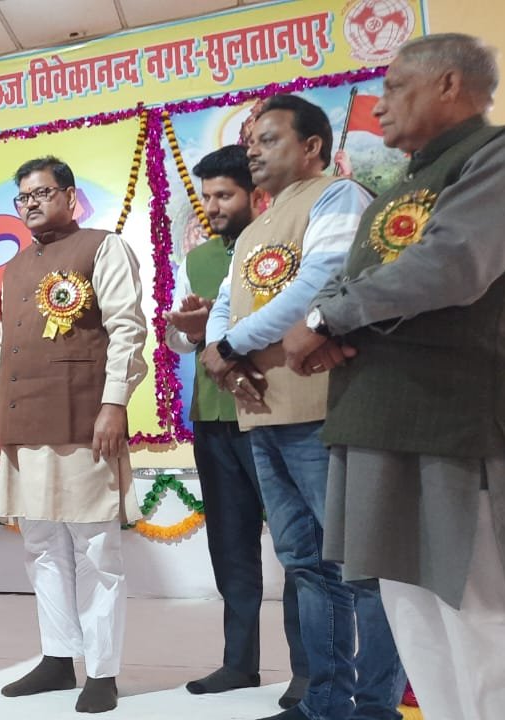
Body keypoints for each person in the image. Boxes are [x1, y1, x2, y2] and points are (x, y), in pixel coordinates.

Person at [284, 33, 505, 720]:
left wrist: (326, 321)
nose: (380, 103)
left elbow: (452, 265)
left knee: (487, 628)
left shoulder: (504, 154)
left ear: (449, 84)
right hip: (378, 421)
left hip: (456, 425)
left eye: (394, 86)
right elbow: (356, 278)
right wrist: (333, 322)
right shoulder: (399, 187)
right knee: (416, 621)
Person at [202, 95, 402, 720]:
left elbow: (318, 284)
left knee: (360, 568)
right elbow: (225, 305)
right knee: (306, 566)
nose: (254, 152)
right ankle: (324, 701)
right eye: (251, 143)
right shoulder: (254, 227)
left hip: (326, 410)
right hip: (265, 416)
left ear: (312, 146)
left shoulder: (337, 197)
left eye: (268, 139)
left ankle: (374, 707)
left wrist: (230, 347)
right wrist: (221, 350)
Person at [0, 157, 147, 713]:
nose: (31, 203)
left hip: (84, 421)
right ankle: (57, 658)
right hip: (23, 422)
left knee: (96, 549)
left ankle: (102, 671)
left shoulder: (104, 247)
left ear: (70, 196)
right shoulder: (14, 267)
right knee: (41, 547)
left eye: (42, 193)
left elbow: (127, 329)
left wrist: (114, 403)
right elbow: (3, 347)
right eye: (22, 197)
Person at [165, 145, 308, 708]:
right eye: (207, 197)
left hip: (274, 412)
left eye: (224, 195)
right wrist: (187, 328)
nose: (213, 207)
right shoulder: (198, 259)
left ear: (256, 193)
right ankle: (238, 663)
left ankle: (308, 671)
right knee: (231, 546)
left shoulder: (283, 246)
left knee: (298, 547)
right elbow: (180, 341)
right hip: (215, 418)